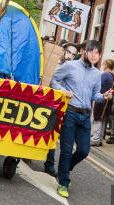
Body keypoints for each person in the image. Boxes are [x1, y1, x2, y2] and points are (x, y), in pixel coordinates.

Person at [51, 40, 113, 198]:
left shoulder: (97, 73)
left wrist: (103, 96)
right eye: (91, 51)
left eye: (97, 53)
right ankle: (64, 182)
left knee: (84, 151)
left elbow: (95, 95)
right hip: (70, 112)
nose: (94, 54)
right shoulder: (70, 66)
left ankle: (64, 169)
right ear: (84, 51)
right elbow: (54, 81)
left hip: (85, 115)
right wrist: (63, 91)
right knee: (66, 150)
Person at [44, 42, 79, 177]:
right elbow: (50, 81)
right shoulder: (55, 64)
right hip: (48, 102)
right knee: (45, 132)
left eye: (73, 54)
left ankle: (49, 165)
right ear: (64, 51)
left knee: (55, 135)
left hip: (64, 106)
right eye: (69, 52)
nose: (70, 56)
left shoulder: (74, 69)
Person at [91, 59, 114, 146]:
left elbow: (98, 85)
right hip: (108, 100)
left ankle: (95, 138)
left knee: (98, 118)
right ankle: (100, 139)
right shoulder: (112, 75)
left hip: (102, 99)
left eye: (103, 64)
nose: (102, 65)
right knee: (103, 119)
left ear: (106, 65)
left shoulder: (105, 75)